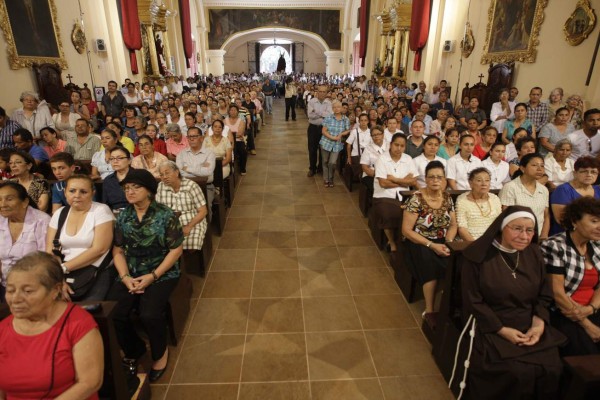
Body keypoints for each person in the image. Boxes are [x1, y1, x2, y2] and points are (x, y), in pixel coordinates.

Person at [457, 207, 565, 399]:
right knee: (515, 373)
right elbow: (473, 300)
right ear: (502, 227)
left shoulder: (534, 253)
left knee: (553, 367)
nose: (524, 236)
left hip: (528, 320)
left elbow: (544, 294)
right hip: (491, 322)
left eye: (530, 230)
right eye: (517, 228)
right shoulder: (476, 256)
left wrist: (538, 324)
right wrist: (501, 330)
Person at [107, 169, 183, 382]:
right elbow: (118, 250)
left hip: (161, 271)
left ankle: (160, 353)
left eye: (135, 187)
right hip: (131, 271)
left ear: (149, 191)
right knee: (115, 311)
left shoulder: (165, 214)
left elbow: (176, 250)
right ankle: (135, 348)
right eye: (127, 188)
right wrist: (125, 277)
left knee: (149, 313)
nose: (129, 192)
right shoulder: (124, 216)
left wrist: (153, 276)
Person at [0, 252, 103, 399]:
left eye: (28, 291)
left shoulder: (78, 323)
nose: (15, 299)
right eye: (10, 290)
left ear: (55, 290)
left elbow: (90, 383)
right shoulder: (2, 330)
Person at [542, 197, 600, 356]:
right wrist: (587, 324)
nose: (599, 226)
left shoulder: (597, 244)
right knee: (590, 358)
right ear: (574, 221)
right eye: (594, 221)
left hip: (592, 309)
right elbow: (557, 293)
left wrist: (591, 308)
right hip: (565, 313)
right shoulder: (554, 245)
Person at [402, 161, 456, 328]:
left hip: (442, 240)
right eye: (431, 177)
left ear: (444, 179)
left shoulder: (447, 197)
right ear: (425, 179)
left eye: (439, 177)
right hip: (419, 241)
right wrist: (431, 245)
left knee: (457, 263)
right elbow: (406, 231)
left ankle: (450, 306)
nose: (435, 180)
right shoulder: (416, 199)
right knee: (429, 264)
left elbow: (453, 224)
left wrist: (449, 242)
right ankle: (430, 310)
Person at [47, 175, 114, 301]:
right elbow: (51, 251)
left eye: (83, 192)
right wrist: (58, 278)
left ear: (92, 193)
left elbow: (100, 249)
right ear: (65, 193)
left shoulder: (101, 210)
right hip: (61, 273)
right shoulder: (59, 213)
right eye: (72, 191)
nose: (77, 195)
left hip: (96, 271)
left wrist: (64, 268)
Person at [157, 161, 208, 276]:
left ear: (176, 172)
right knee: (160, 242)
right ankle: (172, 269)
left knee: (190, 243)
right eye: (161, 175)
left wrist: (189, 226)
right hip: (170, 221)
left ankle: (187, 268)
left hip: (193, 219)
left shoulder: (191, 186)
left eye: (167, 173)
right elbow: (159, 210)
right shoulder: (161, 186)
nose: (164, 177)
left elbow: (203, 211)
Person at [0, 182, 50, 295]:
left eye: (9, 199)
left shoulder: (42, 221)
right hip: (5, 284)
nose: (3, 204)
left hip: (34, 285)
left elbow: (46, 259)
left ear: (25, 202)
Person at [373, 133, 417, 251]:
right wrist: (404, 182)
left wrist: (394, 179)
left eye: (402, 146)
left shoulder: (408, 159)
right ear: (391, 144)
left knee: (414, 214)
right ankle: (392, 242)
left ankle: (405, 239)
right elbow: (383, 183)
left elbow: (413, 181)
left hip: (405, 195)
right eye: (396, 145)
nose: (399, 148)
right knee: (389, 214)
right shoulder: (382, 159)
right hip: (383, 195)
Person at [499, 153, 550, 238]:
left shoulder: (544, 190)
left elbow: (546, 215)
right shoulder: (510, 187)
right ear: (522, 168)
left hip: (537, 237)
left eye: (542, 166)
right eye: (534, 165)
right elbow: (505, 216)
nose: (539, 169)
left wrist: (544, 235)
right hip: (516, 237)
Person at [549, 156, 600, 235]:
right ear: (575, 173)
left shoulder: (598, 189)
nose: (589, 175)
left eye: (593, 172)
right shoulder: (563, 190)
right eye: (584, 171)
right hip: (568, 235)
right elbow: (562, 219)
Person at [456, 168, 503, 241]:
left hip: (493, 241)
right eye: (479, 180)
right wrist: (476, 246)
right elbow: (462, 228)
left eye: (487, 180)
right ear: (470, 183)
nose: (484, 184)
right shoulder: (462, 200)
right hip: (471, 242)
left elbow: (499, 223)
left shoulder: (495, 198)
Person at [320, 100, 351, 187]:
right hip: (326, 142)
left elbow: (348, 130)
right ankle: (326, 179)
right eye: (334, 107)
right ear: (332, 109)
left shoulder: (345, 119)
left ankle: (331, 178)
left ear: (341, 108)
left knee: (332, 162)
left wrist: (341, 134)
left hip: (337, 144)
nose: (336, 109)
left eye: (338, 107)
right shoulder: (328, 118)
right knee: (325, 161)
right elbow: (324, 131)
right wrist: (333, 137)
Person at [306, 85, 332, 177]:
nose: (321, 93)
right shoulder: (312, 102)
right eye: (320, 91)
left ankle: (320, 168)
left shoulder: (328, 103)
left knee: (323, 149)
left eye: (324, 92)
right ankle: (312, 168)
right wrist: (322, 114)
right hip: (313, 128)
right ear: (317, 92)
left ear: (326, 93)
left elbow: (329, 116)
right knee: (312, 149)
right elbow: (310, 115)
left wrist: (317, 112)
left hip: (324, 129)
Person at [360, 125, 388, 199]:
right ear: (371, 137)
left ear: (383, 135)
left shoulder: (390, 146)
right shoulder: (368, 149)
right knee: (379, 188)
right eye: (374, 135)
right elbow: (365, 168)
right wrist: (378, 176)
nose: (376, 136)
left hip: (389, 175)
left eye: (378, 134)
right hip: (371, 175)